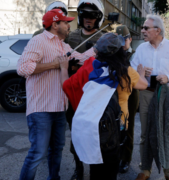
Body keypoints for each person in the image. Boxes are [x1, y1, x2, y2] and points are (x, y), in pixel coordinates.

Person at [17, 9, 97, 180]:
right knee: (37, 153)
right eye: (66, 22)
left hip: (60, 108)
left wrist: (99, 47)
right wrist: (54, 65)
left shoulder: (63, 45)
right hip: (41, 109)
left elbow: (82, 59)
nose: (69, 26)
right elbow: (23, 68)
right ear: (55, 25)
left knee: (57, 150)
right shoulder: (38, 41)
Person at [60, 33, 148, 180]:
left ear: (97, 52)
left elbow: (67, 86)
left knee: (95, 168)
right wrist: (141, 73)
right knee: (111, 171)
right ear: (120, 51)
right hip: (117, 128)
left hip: (93, 127)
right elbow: (143, 85)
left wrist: (64, 69)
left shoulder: (89, 68)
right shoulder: (126, 72)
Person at [131, 14, 169, 180]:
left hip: (167, 94)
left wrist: (168, 78)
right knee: (145, 133)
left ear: (157, 30)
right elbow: (131, 70)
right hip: (146, 93)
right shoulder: (141, 49)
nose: (142, 30)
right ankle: (145, 169)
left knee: (166, 132)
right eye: (143, 28)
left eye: (146, 28)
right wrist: (141, 73)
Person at [64, 1, 105, 179]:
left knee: (97, 132)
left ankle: (97, 169)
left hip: (96, 93)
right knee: (76, 131)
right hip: (74, 91)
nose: (89, 20)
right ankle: (78, 168)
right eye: (86, 17)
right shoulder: (70, 36)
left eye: (92, 18)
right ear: (81, 18)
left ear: (98, 19)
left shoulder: (104, 38)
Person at [115, 25, 138, 173]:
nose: (123, 43)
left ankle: (126, 159)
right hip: (118, 93)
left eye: (125, 39)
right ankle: (116, 156)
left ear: (130, 39)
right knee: (116, 126)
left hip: (133, 92)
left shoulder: (135, 54)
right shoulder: (113, 53)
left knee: (128, 126)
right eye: (119, 40)